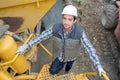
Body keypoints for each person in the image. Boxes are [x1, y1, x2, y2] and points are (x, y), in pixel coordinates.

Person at [16, 5, 106, 76]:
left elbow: (90, 49)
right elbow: (40, 37)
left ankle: (67, 70)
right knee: (53, 71)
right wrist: (25, 46)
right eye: (64, 18)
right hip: (59, 56)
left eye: (70, 19)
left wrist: (98, 66)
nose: (66, 22)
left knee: (69, 66)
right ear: (62, 18)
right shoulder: (55, 29)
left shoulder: (80, 33)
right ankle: (61, 67)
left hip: (72, 56)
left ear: (74, 21)